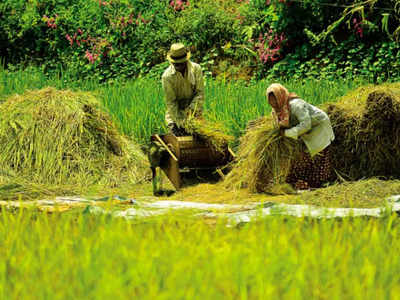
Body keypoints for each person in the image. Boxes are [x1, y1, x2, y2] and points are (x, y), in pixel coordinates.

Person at [266, 83, 335, 189]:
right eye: (270, 100)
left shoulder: (296, 105)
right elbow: (278, 125)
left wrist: (287, 133)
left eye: (274, 99)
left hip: (319, 127)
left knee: (316, 154)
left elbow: (306, 124)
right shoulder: (277, 111)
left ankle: (317, 183)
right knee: (302, 155)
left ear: (280, 95)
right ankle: (301, 182)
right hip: (306, 131)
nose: (273, 103)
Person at [162, 43, 204, 136]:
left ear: (186, 61)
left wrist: (191, 111)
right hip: (175, 116)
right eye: (175, 64)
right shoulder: (167, 77)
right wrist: (180, 122)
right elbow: (171, 102)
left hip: (194, 114)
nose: (178, 66)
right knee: (179, 141)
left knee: (200, 140)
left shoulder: (196, 69)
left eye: (180, 64)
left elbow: (199, 93)